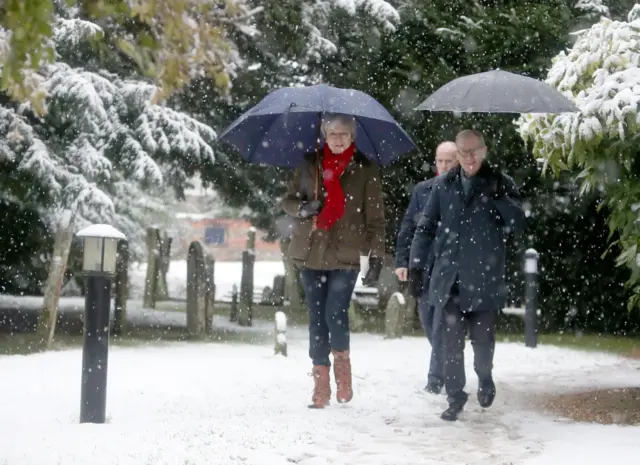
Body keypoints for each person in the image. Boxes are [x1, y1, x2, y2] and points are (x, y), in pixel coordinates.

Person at [409, 129, 525, 421]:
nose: (469, 158)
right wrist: (416, 266)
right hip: (450, 279)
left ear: (484, 151)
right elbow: (425, 227)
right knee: (451, 344)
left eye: (474, 151)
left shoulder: (500, 182)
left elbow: (519, 223)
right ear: (457, 155)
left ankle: (485, 378)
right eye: (463, 152)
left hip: (484, 279)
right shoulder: (444, 185)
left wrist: (500, 197)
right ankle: (455, 397)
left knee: (483, 344)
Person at [280, 113, 385, 409]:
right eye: (333, 134)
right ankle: (321, 385)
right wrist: (303, 208)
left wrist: (376, 256)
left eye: (344, 135)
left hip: (346, 254)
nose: (338, 140)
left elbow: (375, 219)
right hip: (312, 251)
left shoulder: (365, 170)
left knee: (335, 314)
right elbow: (287, 200)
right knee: (316, 318)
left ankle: (343, 373)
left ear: (353, 137)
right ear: (324, 135)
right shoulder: (309, 165)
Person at [394, 141, 458, 394]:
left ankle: (435, 378)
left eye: (448, 161)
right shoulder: (422, 190)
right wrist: (402, 262)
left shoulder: (463, 191)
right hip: (422, 267)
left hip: (449, 267)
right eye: (439, 161)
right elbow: (407, 228)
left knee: (441, 322)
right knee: (428, 320)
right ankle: (447, 357)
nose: (443, 166)